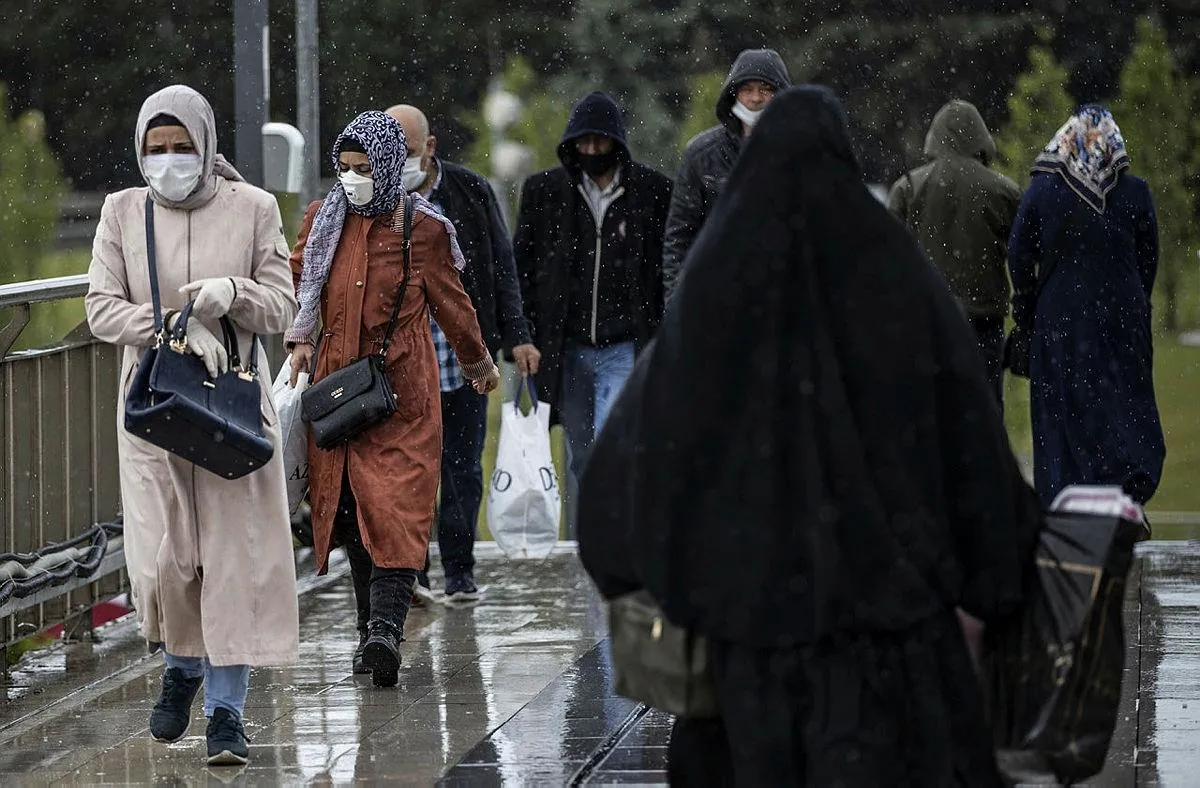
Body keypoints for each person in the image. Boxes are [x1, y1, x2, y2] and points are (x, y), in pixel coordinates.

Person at [577, 86, 1042, 786]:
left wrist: (699, 585)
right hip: (901, 681)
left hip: (745, 688)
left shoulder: (712, 302)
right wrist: (990, 590)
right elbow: (982, 479)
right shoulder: (903, 288)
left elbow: (612, 514)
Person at [85, 84, 300, 766]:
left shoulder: (254, 209)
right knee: (165, 560)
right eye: (157, 149)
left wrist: (229, 296)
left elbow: (283, 305)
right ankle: (182, 662)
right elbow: (100, 307)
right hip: (154, 407)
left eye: (183, 148)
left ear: (206, 146)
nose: (171, 161)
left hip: (231, 406)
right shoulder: (122, 212)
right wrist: (171, 327)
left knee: (233, 560)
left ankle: (227, 712)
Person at [285, 112, 499, 687]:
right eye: (345, 169)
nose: (352, 180)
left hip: (401, 395)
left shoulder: (425, 230)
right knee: (356, 512)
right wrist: (301, 342)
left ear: (385, 167)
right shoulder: (322, 220)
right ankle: (370, 631)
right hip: (339, 394)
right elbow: (300, 287)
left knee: (399, 510)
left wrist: (478, 362)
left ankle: (385, 627)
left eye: (363, 168)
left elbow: (454, 304)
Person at [384, 104, 540, 604]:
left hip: (463, 358)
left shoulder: (470, 191)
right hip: (402, 365)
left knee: (461, 466)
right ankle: (413, 573)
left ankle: (459, 569)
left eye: (406, 153)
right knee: (408, 473)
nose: (397, 162)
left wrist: (516, 334)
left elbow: (501, 265)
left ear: (429, 149)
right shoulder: (374, 199)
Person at [513, 91, 672, 536]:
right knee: (581, 452)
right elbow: (520, 267)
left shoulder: (652, 192)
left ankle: (618, 537)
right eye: (583, 144)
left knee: (615, 445)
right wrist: (521, 334)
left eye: (600, 144)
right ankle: (591, 538)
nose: (591, 153)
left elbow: (667, 266)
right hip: (568, 347)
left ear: (616, 144)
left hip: (627, 344)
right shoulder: (545, 193)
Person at [1007, 105, 1165, 511]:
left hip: (1060, 321)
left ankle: (1066, 503)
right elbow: (1149, 257)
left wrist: (1025, 312)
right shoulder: (1135, 193)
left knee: (1062, 415)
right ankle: (1124, 495)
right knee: (1123, 407)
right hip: (1122, 321)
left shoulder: (1042, 192)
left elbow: (1018, 256)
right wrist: (1134, 303)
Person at [888, 99, 1022, 403]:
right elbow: (1025, 257)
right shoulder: (1003, 191)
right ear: (981, 138)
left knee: (930, 417)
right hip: (983, 327)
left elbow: (885, 263)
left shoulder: (907, 188)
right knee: (983, 417)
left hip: (925, 326)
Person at [662, 48, 791, 301]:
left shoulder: (802, 152)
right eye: (747, 89)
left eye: (765, 88)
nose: (755, 98)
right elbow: (679, 237)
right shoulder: (701, 155)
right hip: (718, 302)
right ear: (734, 94)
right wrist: (678, 308)